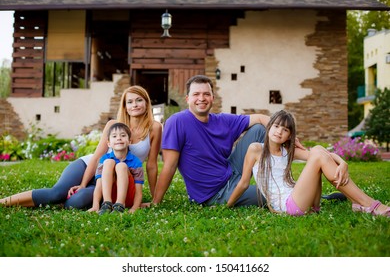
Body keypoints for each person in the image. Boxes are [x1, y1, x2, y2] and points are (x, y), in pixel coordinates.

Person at [0, 85, 162, 209]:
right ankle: (4, 202)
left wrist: (154, 199)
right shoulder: (114, 124)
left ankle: (66, 199)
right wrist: (83, 183)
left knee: (74, 203)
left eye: (139, 100)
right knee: (56, 193)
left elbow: (152, 164)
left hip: (112, 179)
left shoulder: (154, 128)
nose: (135, 105)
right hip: (88, 166)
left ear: (146, 102)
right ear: (125, 106)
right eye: (130, 101)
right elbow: (98, 155)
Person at [227, 110, 390, 217]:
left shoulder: (288, 151)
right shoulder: (255, 149)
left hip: (306, 202)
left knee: (318, 150)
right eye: (276, 126)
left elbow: (321, 154)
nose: (279, 131)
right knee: (318, 153)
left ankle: (360, 203)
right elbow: (243, 184)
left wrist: (342, 162)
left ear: (289, 136)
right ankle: (369, 205)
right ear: (268, 127)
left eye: (285, 130)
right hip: (287, 207)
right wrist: (227, 206)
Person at [152, 74, 271, 207]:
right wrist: (156, 202)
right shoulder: (177, 122)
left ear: (212, 98)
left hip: (231, 172)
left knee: (260, 129)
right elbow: (169, 166)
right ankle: (275, 188)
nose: (201, 98)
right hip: (215, 193)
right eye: (196, 94)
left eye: (206, 94)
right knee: (272, 194)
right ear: (187, 99)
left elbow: (260, 118)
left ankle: (279, 179)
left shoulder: (222, 120)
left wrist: (291, 137)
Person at [95, 122, 144, 215]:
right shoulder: (104, 159)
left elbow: (138, 191)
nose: (119, 138)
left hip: (127, 198)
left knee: (121, 166)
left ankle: (119, 205)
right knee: (109, 162)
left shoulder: (135, 162)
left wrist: (134, 208)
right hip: (110, 195)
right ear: (108, 143)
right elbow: (99, 186)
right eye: (114, 136)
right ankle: (106, 203)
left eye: (123, 135)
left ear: (130, 141)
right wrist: (95, 205)